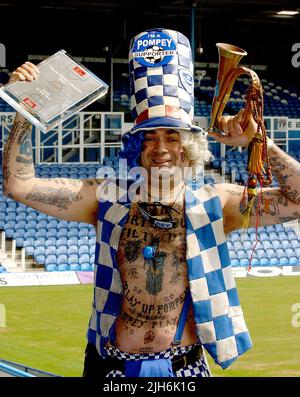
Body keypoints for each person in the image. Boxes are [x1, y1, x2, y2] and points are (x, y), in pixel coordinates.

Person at [2, 28, 300, 378]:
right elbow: (19, 185)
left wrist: (257, 141)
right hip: (109, 366)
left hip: (183, 367)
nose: (160, 149)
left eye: (171, 138)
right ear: (137, 149)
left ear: (186, 147)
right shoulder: (106, 197)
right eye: (150, 139)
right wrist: (25, 108)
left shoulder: (214, 202)